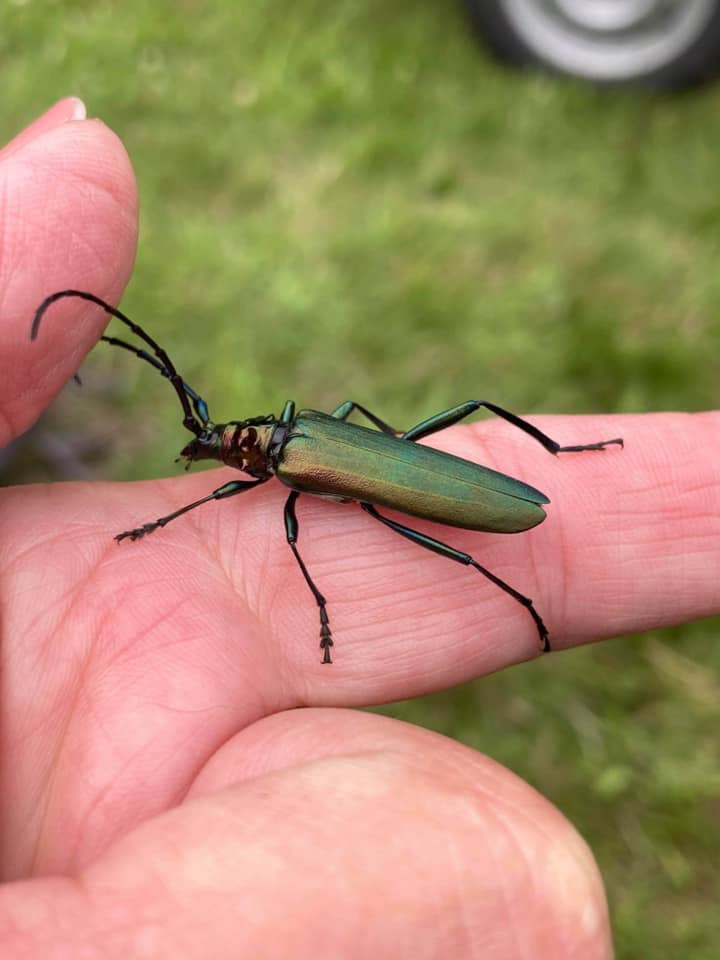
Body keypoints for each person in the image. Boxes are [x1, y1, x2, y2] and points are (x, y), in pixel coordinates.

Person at [2, 100, 717, 958]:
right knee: (442, 453)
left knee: (439, 517)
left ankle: (538, 536)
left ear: (251, 452)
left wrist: (173, 525)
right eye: (216, 443)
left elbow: (290, 539)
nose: (213, 450)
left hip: (424, 483)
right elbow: (280, 445)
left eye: (221, 444)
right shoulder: (292, 435)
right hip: (381, 457)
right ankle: (527, 579)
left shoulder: (295, 467)